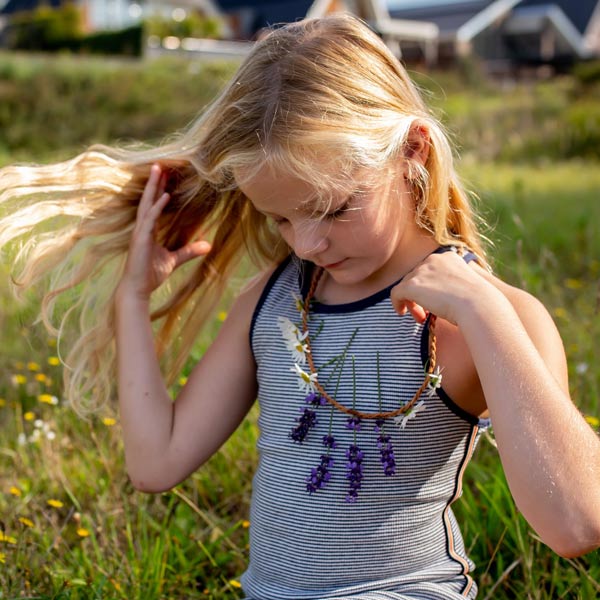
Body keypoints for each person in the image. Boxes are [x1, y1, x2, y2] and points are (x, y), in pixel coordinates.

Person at [1, 14, 599, 600]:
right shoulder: (274, 300)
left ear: (412, 150)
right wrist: (134, 297)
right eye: (281, 217)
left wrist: (484, 309)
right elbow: (155, 463)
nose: (307, 243)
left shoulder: (490, 316)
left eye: (335, 208)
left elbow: (575, 523)